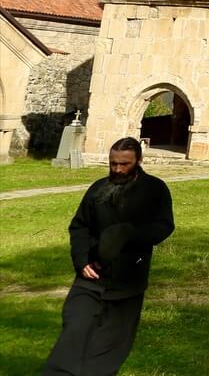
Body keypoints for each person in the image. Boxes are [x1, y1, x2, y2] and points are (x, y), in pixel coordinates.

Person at [41, 137, 174, 376]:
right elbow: (79, 226)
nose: (118, 169)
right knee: (75, 328)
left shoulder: (155, 189)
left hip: (128, 277)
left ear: (138, 161)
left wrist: (129, 235)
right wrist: (81, 261)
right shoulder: (97, 188)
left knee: (111, 341)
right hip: (90, 276)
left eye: (124, 164)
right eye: (113, 164)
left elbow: (164, 226)